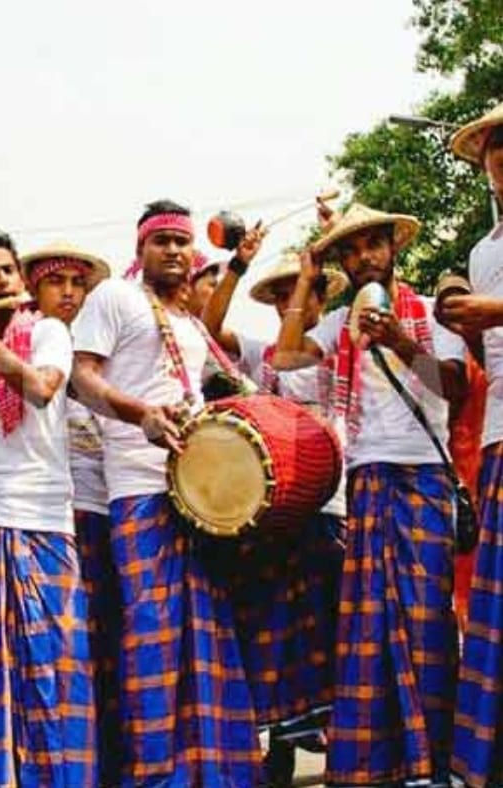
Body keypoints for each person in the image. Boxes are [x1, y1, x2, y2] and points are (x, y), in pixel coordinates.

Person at [72, 199, 266, 787]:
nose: (175, 252)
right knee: (154, 636)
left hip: (200, 497)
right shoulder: (116, 298)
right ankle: (158, 775)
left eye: (183, 242)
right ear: (141, 249)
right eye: (163, 242)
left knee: (208, 632)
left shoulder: (190, 323)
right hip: (138, 488)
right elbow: (83, 378)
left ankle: (218, 771)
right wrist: (141, 416)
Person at [274, 203, 467, 787]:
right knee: (368, 624)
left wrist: (401, 342)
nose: (362, 259)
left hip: (423, 478)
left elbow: (454, 386)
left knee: (426, 619)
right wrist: (307, 279)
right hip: (367, 478)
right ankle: (375, 763)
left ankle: (430, 761)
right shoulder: (337, 325)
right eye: (350, 252)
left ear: (393, 249)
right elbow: (284, 359)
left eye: (371, 247)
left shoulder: (431, 314)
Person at [0, 230, 96, 787]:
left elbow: (39, 389)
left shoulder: (50, 332)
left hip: (45, 521)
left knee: (54, 664)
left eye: (9, 271)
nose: (4, 281)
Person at [201, 251, 349, 786]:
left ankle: (341, 742)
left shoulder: (331, 343)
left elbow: (292, 359)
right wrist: (238, 267)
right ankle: (283, 743)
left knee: (328, 627)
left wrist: (312, 277)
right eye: (284, 294)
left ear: (322, 300)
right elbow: (209, 329)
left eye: (305, 292)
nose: (295, 302)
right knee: (278, 629)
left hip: (328, 503)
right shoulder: (259, 351)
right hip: (274, 512)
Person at [21, 244, 119, 784]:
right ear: (33, 290)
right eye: (54, 282)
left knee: (105, 647)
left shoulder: (101, 348)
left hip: (107, 507)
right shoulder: (26, 343)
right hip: (59, 513)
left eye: (77, 283)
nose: (68, 293)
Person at [441, 100, 503, 788]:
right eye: (493, 147)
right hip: (496, 441)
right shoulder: (484, 251)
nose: (502, 157)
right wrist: (469, 325)